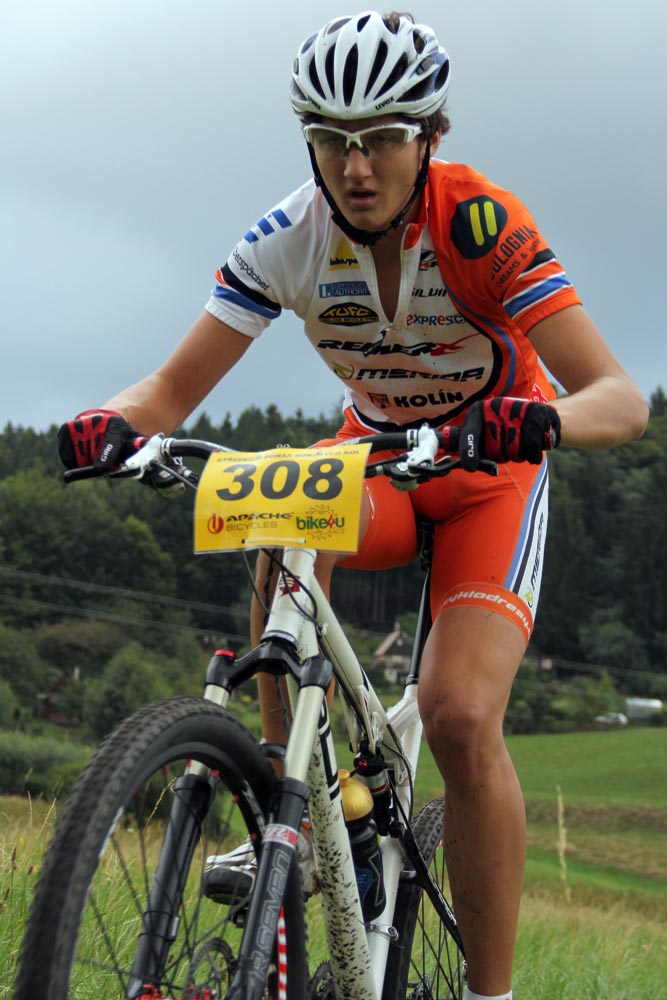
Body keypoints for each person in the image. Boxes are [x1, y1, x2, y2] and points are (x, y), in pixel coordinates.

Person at [57, 11, 648, 1000]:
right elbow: (164, 394)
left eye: (380, 137)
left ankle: (490, 994)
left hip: (490, 471)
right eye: (330, 139)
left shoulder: (480, 224)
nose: (355, 164)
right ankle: (292, 811)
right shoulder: (288, 239)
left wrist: (538, 420)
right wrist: (105, 424)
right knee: (276, 518)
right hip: (374, 459)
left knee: (459, 715)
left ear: (430, 136)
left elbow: (619, 400)